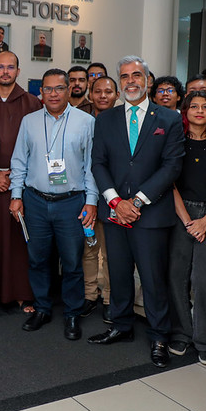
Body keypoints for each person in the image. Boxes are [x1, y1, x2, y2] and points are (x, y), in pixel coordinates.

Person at [88, 55, 185, 369]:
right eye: (125, 76)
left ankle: (159, 336)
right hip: (114, 212)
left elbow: (172, 166)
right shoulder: (105, 119)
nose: (131, 80)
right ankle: (121, 325)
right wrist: (116, 202)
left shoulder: (168, 119)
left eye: (137, 75)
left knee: (153, 278)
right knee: (118, 273)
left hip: (151, 214)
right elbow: (98, 164)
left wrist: (138, 201)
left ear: (148, 81)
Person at [9, 68, 97, 340]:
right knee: (38, 259)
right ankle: (43, 308)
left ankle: (71, 314)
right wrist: (15, 195)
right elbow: (19, 161)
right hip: (35, 201)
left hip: (72, 203)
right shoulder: (29, 121)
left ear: (69, 89)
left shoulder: (86, 121)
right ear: (41, 92)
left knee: (72, 262)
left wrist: (91, 201)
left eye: (60, 88)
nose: (54, 94)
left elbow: (92, 166)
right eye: (48, 89)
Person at [0, 51, 42, 311]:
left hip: (21, 182)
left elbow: (39, 145)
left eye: (10, 67)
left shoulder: (33, 102)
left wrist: (16, 176)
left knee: (19, 240)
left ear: (18, 71)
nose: (5, 72)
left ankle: (22, 292)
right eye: (0, 67)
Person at [167, 91, 206, 366]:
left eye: (205, 106)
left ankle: (205, 340)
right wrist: (189, 220)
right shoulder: (175, 143)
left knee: (205, 279)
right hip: (181, 213)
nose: (199, 111)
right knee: (177, 276)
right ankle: (181, 333)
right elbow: (171, 184)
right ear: (185, 111)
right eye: (194, 106)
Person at [82, 75, 117, 323]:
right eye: (98, 91)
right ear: (90, 94)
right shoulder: (82, 121)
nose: (103, 96)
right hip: (84, 195)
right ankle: (88, 295)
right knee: (89, 248)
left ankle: (109, 298)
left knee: (112, 251)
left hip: (113, 196)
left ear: (117, 95)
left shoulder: (124, 121)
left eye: (108, 91)